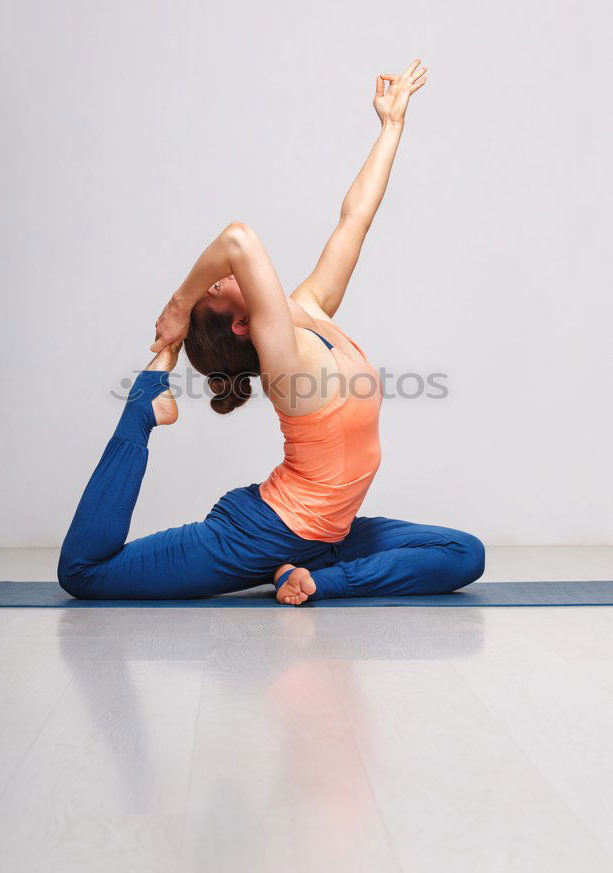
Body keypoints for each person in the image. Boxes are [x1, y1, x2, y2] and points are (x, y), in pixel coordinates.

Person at [58, 60, 484, 605]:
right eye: (217, 287)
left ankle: (307, 575)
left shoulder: (311, 311)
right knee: (85, 573)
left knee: (464, 552)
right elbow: (237, 239)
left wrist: (391, 128)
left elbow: (354, 217)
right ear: (245, 324)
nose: (219, 276)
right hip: (259, 534)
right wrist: (181, 303)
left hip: (327, 535)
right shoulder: (285, 362)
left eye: (211, 282)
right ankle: (143, 405)